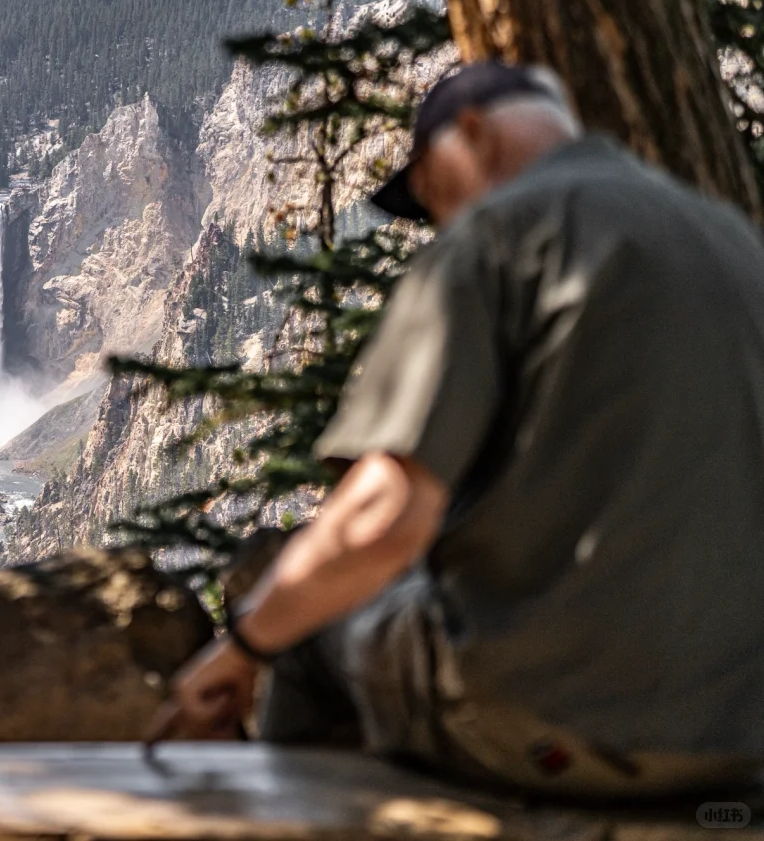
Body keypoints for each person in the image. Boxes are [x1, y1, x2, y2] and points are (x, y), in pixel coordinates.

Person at [158, 63, 764, 797]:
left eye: (428, 192)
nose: (437, 221)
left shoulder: (493, 238)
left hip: (557, 728)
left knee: (310, 623)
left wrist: (243, 645)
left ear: (471, 133)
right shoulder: (731, 237)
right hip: (740, 739)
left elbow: (384, 519)